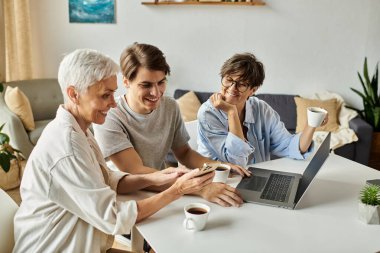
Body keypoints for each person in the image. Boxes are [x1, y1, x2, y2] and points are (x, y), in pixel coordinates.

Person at [13, 49, 214, 253]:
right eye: (105, 95)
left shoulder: (79, 129)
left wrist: (156, 178)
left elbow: (105, 178)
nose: (113, 102)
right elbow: (114, 217)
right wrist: (176, 190)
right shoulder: (67, 147)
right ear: (74, 94)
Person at [93, 43, 250, 208]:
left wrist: (219, 166)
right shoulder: (110, 115)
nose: (156, 93)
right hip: (127, 199)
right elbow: (136, 171)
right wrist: (201, 188)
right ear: (126, 81)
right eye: (146, 85)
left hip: (164, 189)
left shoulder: (169, 106)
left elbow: (185, 154)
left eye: (161, 82)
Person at [197, 52, 328, 167]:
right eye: (228, 80)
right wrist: (232, 113)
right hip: (223, 184)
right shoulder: (208, 113)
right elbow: (236, 162)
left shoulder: (261, 109)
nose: (232, 88)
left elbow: (290, 147)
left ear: (253, 90)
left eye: (241, 84)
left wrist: (312, 124)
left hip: (257, 180)